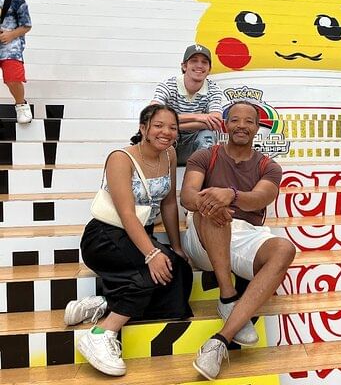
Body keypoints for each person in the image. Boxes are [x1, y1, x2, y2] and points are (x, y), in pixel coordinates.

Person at [64, 104, 193, 376]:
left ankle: (104, 304)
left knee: (179, 272)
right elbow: (126, 213)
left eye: (172, 127)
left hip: (140, 234)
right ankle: (101, 333)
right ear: (143, 128)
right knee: (148, 275)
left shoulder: (169, 154)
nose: (166, 132)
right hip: (106, 235)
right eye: (159, 125)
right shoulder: (120, 158)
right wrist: (152, 254)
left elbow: (169, 202)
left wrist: (176, 247)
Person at [180, 101, 296, 380]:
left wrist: (231, 194)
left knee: (284, 249)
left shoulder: (269, 166)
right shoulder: (205, 155)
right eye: (235, 120)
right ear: (225, 124)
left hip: (246, 235)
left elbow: (261, 197)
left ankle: (220, 340)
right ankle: (227, 295)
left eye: (248, 121)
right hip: (203, 238)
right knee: (213, 209)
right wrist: (211, 200)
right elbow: (188, 196)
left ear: (257, 128)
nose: (241, 126)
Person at [151, 44, 224, 165]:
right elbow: (152, 114)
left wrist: (170, 124)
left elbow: (216, 122)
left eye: (204, 62)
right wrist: (198, 117)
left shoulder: (214, 89)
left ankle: (201, 173)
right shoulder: (168, 85)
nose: (199, 65)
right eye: (194, 61)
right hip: (169, 140)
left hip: (194, 143)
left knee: (207, 136)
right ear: (184, 66)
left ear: (209, 69)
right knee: (157, 132)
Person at [0, 0, 33, 124]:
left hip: (10, 48)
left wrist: (11, 35)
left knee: (13, 78)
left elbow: (27, 25)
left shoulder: (18, 0)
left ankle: (21, 104)